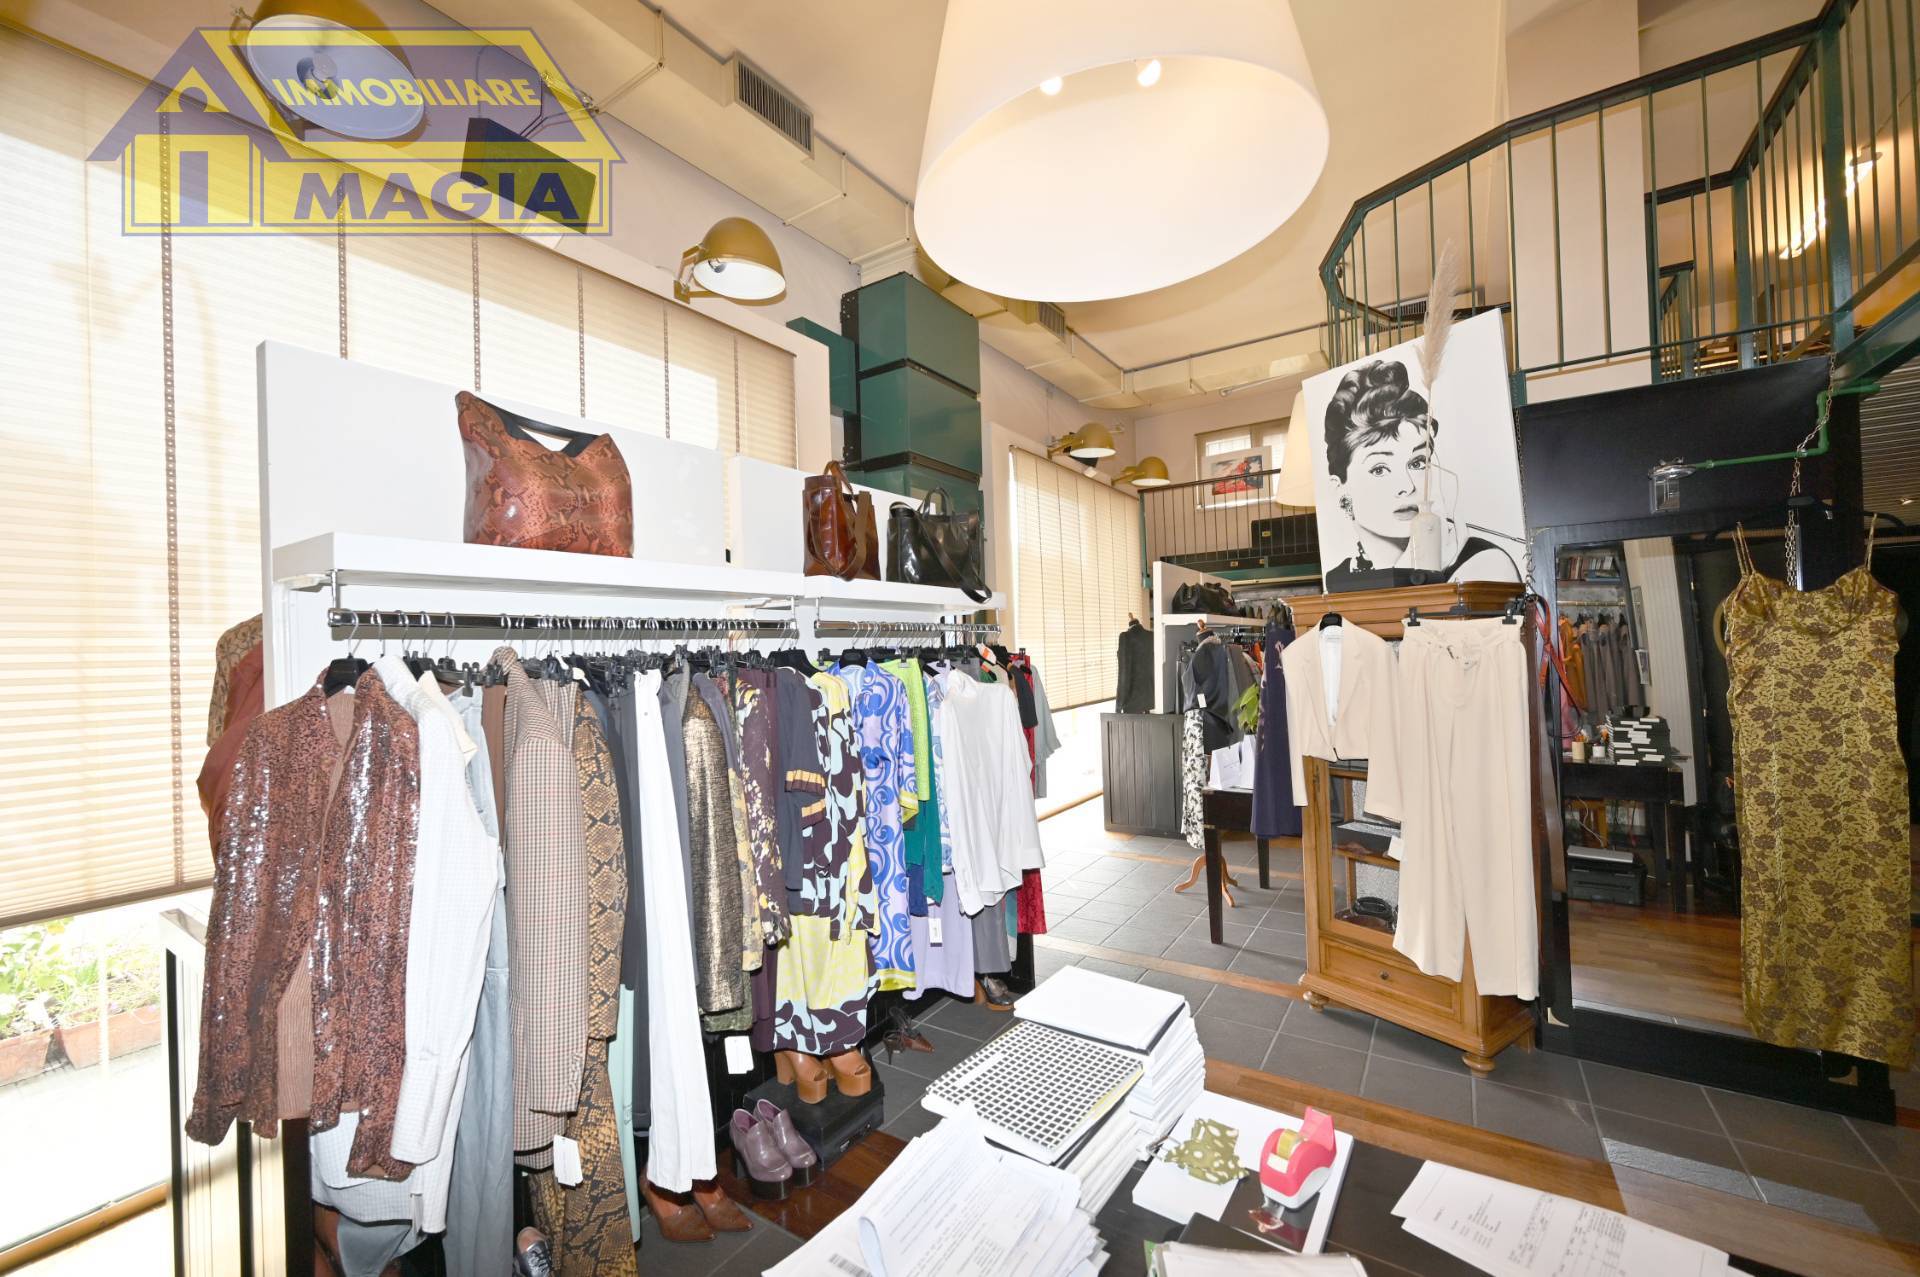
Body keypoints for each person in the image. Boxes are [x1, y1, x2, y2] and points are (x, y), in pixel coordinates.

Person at [1321, 359, 1517, 589]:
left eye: (1417, 463)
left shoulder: (1485, 564)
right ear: (1340, 490)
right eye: (1379, 469)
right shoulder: (1339, 577)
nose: (1407, 486)